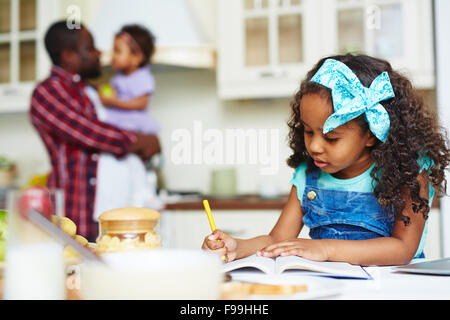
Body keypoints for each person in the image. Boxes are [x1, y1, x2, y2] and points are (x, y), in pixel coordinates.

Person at [202, 54, 450, 266]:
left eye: (331, 138)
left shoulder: (407, 171)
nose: (314, 146)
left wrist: (325, 249)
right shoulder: (308, 176)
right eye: (308, 131)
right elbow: (277, 240)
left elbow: (402, 248)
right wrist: (237, 247)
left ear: (371, 134)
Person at [29, 21, 161, 242]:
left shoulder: (89, 91)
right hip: (75, 214)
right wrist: (140, 140)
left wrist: (145, 139)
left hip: (112, 212)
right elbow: (90, 133)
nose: (99, 53)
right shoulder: (46, 93)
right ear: (68, 56)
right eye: (90, 48)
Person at [88, 24, 162, 219]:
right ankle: (141, 195)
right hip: (120, 124)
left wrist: (114, 101)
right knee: (125, 161)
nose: (112, 55)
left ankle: (146, 195)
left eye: (118, 51)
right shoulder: (117, 78)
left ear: (137, 57)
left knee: (133, 161)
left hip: (133, 123)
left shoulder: (143, 77)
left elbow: (141, 103)